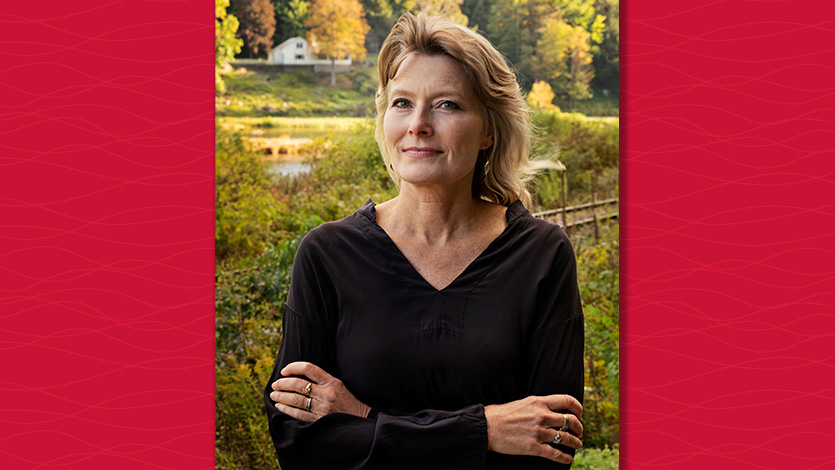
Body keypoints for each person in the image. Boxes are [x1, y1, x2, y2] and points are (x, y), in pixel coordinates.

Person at [264, 12, 584, 469]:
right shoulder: (327, 255)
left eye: (447, 105)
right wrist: (486, 431)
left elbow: (551, 447)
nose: (418, 124)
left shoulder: (541, 255)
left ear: (489, 130)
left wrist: (364, 418)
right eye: (401, 103)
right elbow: (300, 445)